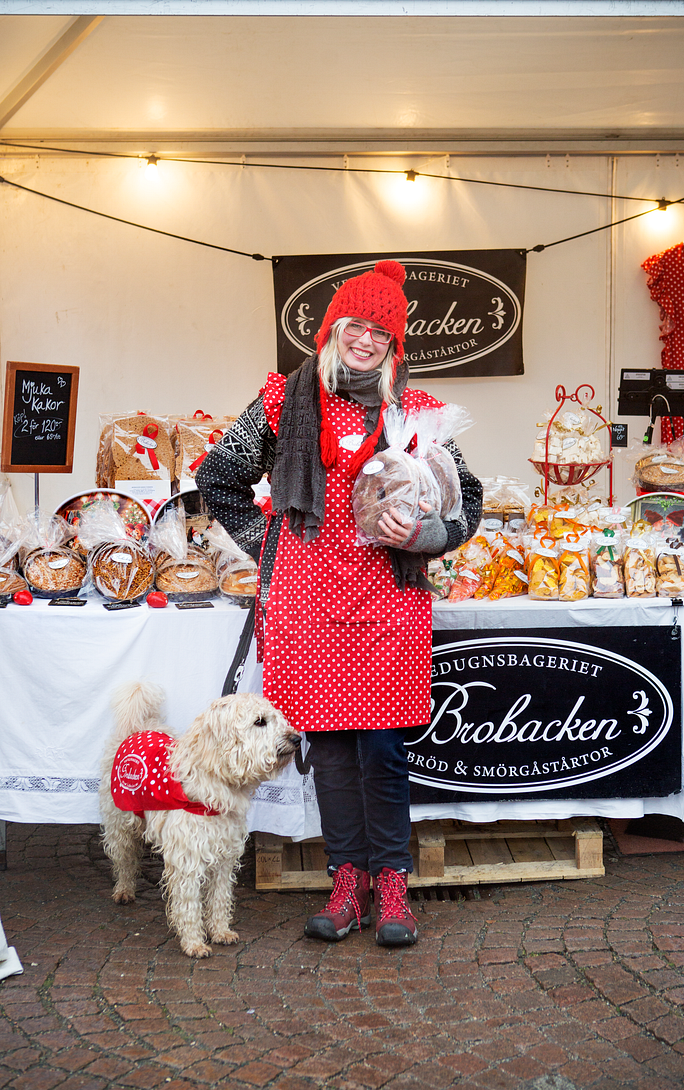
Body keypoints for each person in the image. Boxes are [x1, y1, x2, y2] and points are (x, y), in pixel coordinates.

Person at [196, 260, 482, 947]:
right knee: (327, 749)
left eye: (381, 330)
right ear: (333, 328)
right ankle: (345, 882)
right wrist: (271, 541)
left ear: (393, 344)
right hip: (306, 601)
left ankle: (392, 887)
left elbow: (467, 501)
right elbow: (219, 476)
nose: (366, 338)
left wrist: (424, 532)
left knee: (380, 750)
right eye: (356, 324)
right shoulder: (283, 399)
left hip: (387, 600)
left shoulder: (418, 413)